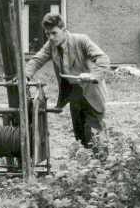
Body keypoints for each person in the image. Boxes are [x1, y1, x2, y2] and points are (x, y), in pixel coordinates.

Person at [25, 12, 110, 149]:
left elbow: (103, 59)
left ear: (63, 30)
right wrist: (25, 77)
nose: (51, 37)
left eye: (54, 33)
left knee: (95, 138)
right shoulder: (51, 45)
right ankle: (85, 168)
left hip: (92, 94)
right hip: (74, 95)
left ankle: (101, 167)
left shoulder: (81, 40)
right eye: (47, 34)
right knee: (80, 139)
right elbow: (36, 60)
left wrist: (92, 75)